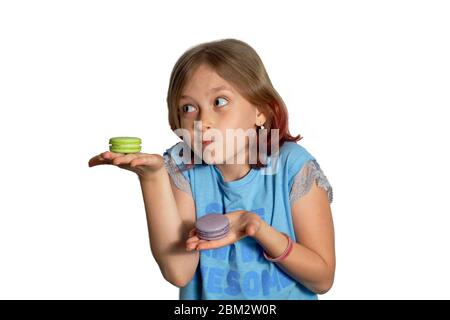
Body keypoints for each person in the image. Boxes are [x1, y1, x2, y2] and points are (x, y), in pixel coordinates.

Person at [88, 38, 335, 300]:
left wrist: (258, 229)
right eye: (189, 108)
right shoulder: (183, 167)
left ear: (260, 111)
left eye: (220, 102)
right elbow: (179, 271)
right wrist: (153, 178)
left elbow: (322, 279)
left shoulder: (293, 168)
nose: (203, 121)